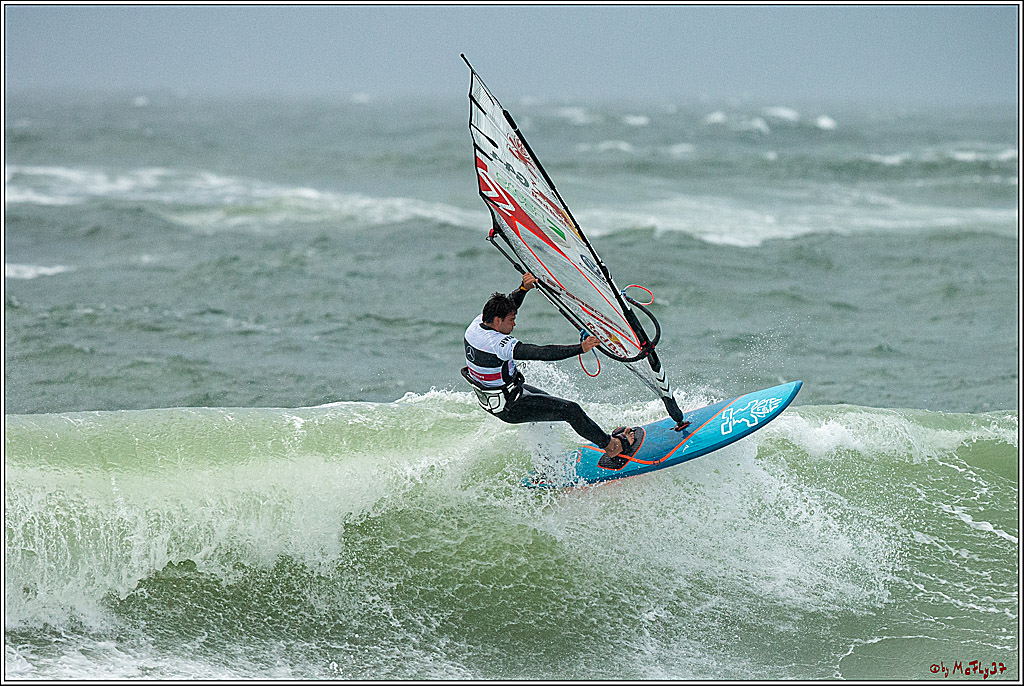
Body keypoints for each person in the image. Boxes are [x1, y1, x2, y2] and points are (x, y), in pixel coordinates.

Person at [462, 272, 636, 459]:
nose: (514, 323)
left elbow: (509, 304)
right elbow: (541, 353)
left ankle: (545, 463)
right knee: (571, 410)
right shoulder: (497, 344)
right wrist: (581, 348)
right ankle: (612, 447)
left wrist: (523, 289)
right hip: (511, 405)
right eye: (511, 320)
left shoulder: (477, 325)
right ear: (498, 321)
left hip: (500, 397)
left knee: (546, 407)